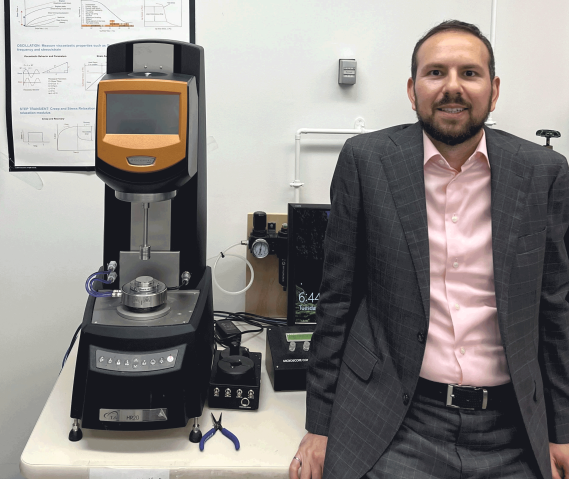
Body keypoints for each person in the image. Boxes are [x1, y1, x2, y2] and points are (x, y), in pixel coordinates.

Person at [289, 20, 569, 479]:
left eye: (470, 74)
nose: (452, 87)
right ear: (412, 88)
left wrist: (561, 430)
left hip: (513, 426)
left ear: (494, 90)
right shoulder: (367, 162)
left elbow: (556, 312)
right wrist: (318, 426)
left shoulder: (544, 173)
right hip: (397, 422)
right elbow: (336, 301)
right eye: (435, 73)